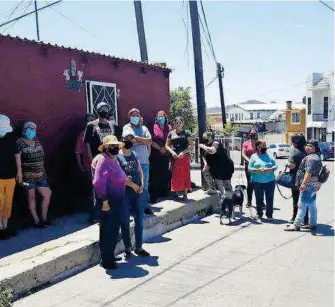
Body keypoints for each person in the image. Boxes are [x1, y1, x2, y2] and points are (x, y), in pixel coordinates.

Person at [92, 135, 127, 270]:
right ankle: (106, 260)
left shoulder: (113, 159)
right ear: (105, 147)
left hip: (117, 199)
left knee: (113, 230)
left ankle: (110, 255)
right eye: (112, 146)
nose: (115, 148)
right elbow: (98, 182)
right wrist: (105, 201)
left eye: (116, 145)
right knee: (108, 230)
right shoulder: (102, 159)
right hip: (108, 201)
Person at [117, 133, 150, 257]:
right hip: (124, 193)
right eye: (128, 140)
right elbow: (120, 177)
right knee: (125, 221)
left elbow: (140, 171)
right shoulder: (118, 157)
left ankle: (139, 247)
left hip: (137, 193)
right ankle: (127, 248)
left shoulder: (134, 154)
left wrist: (141, 184)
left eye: (132, 140)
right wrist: (133, 186)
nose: (130, 142)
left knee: (139, 220)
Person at [17, 122, 52, 228]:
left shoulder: (36, 141)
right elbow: (17, 158)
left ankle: (44, 218)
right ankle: (36, 220)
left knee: (47, 194)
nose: (32, 131)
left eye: (34, 129)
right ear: (24, 130)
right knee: (31, 197)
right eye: (29, 128)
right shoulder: (20, 142)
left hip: (40, 175)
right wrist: (20, 174)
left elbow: (41, 157)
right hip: (27, 176)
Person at [285, 140, 323, 231]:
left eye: (310, 146)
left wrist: (303, 184)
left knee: (301, 205)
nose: (307, 147)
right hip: (314, 185)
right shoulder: (315, 156)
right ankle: (312, 224)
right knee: (312, 205)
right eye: (307, 145)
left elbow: (308, 172)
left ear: (315, 148)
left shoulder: (311, 158)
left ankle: (296, 225)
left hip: (308, 185)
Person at [122, 108, 154, 215]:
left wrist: (137, 139)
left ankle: (144, 206)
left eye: (137, 115)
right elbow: (129, 141)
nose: (135, 117)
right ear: (129, 117)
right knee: (132, 184)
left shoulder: (144, 128)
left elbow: (150, 141)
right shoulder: (126, 127)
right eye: (133, 115)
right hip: (131, 162)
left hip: (144, 161)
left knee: (144, 184)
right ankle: (133, 208)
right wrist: (142, 141)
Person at [0, 115, 22, 239]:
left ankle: (5, 226)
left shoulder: (11, 139)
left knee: (7, 202)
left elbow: (17, 156)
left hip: (10, 176)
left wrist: (19, 172)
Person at [248, 140, 277, 221]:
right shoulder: (253, 156)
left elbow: (275, 166)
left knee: (270, 198)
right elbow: (249, 168)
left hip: (270, 181)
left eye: (265, 145)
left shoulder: (270, 156)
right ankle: (259, 213)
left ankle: (269, 215)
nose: (265, 147)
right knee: (259, 199)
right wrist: (257, 170)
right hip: (257, 181)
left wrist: (270, 169)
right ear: (258, 147)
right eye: (263, 146)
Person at [165, 117, 193, 200]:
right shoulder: (171, 133)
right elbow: (167, 145)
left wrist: (183, 152)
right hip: (175, 157)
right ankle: (176, 193)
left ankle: (185, 194)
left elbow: (191, 145)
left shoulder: (187, 133)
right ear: (174, 124)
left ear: (183, 123)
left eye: (180, 122)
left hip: (184, 157)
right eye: (176, 122)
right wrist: (172, 152)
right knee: (175, 175)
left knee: (185, 174)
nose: (178, 124)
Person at [199, 131, 234, 198]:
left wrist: (203, 146)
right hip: (215, 168)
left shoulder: (215, 143)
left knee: (227, 187)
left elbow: (212, 151)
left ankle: (230, 203)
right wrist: (206, 164)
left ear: (210, 137)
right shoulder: (206, 145)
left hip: (225, 168)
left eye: (205, 137)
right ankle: (213, 189)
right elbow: (203, 155)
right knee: (218, 187)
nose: (204, 139)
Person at [75, 113, 97, 219]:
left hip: (101, 165)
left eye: (93, 119)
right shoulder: (82, 135)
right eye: (89, 120)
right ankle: (93, 215)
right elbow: (78, 152)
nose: (91, 122)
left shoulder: (98, 133)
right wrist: (80, 165)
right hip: (89, 165)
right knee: (93, 190)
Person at [285, 134, 309, 224]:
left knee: (296, 199)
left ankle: (294, 217)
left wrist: (286, 164)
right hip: (307, 179)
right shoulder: (307, 152)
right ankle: (306, 219)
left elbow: (292, 166)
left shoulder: (294, 152)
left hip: (296, 179)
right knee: (306, 200)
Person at [150, 111, 172, 203]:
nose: (161, 118)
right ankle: (156, 194)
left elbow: (172, 139)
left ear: (165, 117)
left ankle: (165, 193)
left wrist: (166, 148)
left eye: (162, 116)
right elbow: (151, 140)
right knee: (155, 174)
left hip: (166, 154)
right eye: (159, 116)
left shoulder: (169, 127)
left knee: (166, 173)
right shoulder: (153, 127)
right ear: (156, 118)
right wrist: (160, 148)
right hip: (155, 154)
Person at [242, 129, 257, 207]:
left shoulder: (259, 143)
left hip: (258, 167)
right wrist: (250, 161)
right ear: (249, 134)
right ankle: (249, 201)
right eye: (251, 133)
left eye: (254, 133)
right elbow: (243, 154)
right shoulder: (246, 143)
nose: (253, 134)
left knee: (258, 184)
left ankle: (260, 201)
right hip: (249, 166)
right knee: (250, 184)